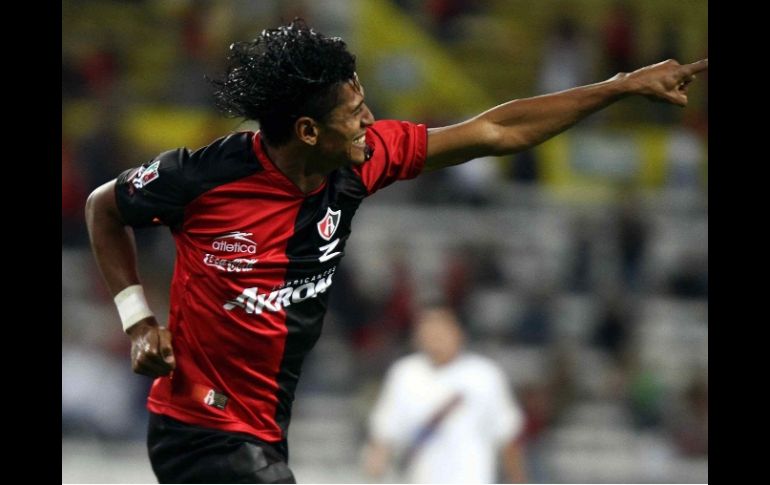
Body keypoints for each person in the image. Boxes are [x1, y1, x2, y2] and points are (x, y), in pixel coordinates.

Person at [84, 19, 707, 484]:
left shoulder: (361, 160)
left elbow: (496, 130)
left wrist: (620, 86)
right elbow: (102, 208)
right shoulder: (206, 176)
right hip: (202, 428)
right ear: (308, 131)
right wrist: (138, 319)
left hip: (265, 428)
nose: (371, 121)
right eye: (355, 114)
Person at [363, 306, 527, 483]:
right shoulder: (405, 374)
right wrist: (377, 461)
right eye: (428, 332)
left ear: (458, 333)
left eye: (441, 331)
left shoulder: (484, 374)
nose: (435, 338)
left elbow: (507, 434)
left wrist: (517, 479)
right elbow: (385, 429)